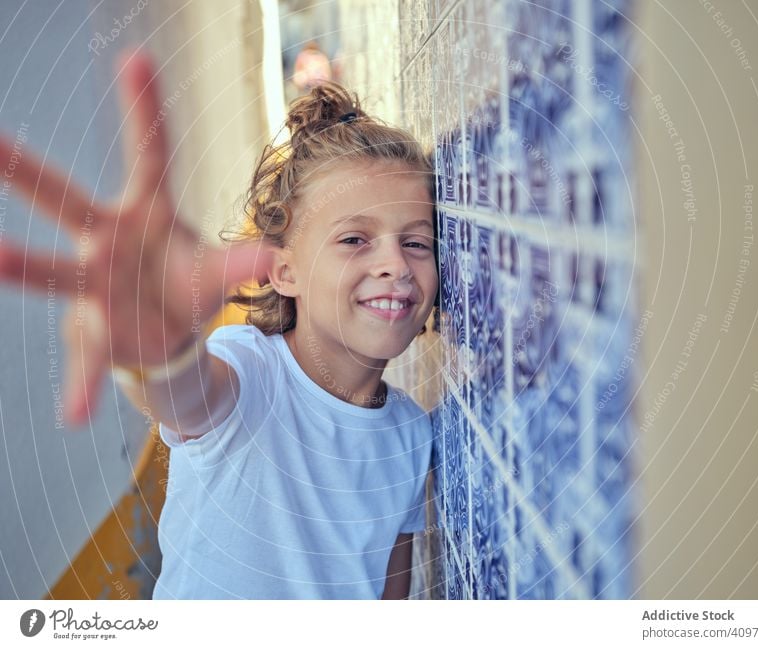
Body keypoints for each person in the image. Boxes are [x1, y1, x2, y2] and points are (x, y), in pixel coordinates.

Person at [0, 49, 438, 599]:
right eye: (353, 239)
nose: (394, 265)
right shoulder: (248, 371)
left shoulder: (410, 434)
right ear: (284, 270)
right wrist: (162, 350)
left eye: (416, 242)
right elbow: (187, 396)